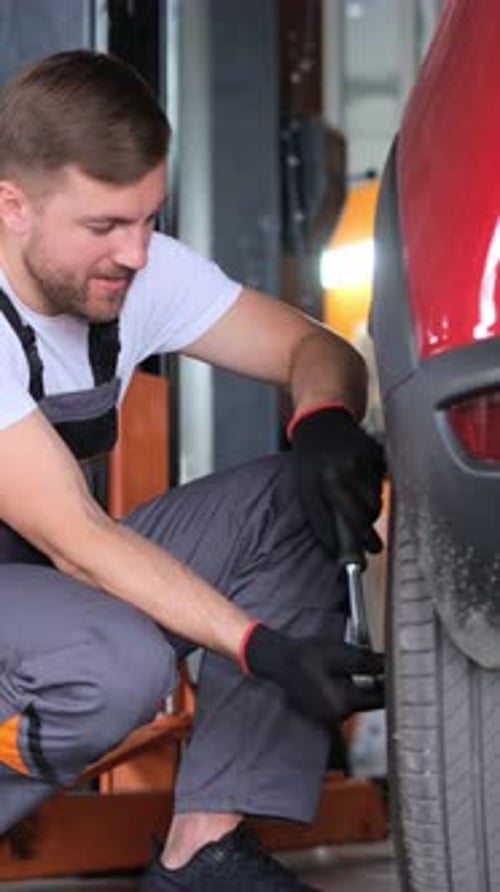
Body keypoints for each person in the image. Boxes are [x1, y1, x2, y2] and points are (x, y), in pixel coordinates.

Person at [0, 51, 385, 891]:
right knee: (115, 664)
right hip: (53, 573)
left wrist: (322, 417)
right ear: (13, 205)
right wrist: (263, 648)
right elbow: (79, 541)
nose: (136, 252)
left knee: (297, 501)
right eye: (106, 225)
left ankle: (202, 857)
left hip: (39, 592)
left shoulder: (131, 271)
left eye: (148, 218)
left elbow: (314, 347)